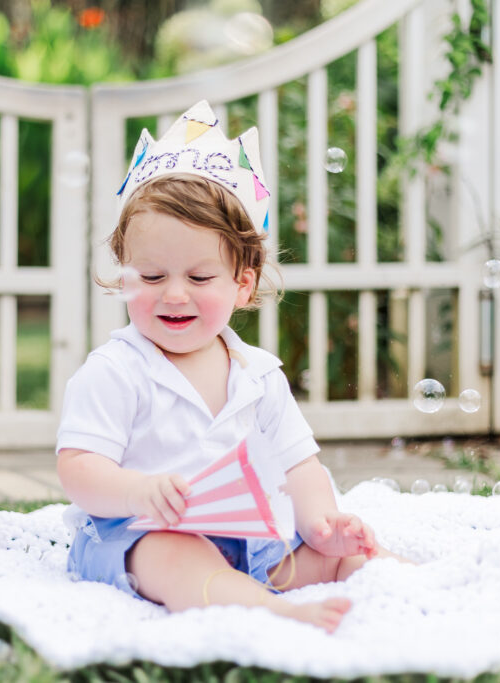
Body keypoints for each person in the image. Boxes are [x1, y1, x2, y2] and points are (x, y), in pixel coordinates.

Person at [56, 101, 401, 633]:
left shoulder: (258, 374)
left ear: (242, 283)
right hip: (136, 532)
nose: (174, 294)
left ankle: (426, 581)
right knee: (176, 558)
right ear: (125, 275)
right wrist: (135, 491)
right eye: (151, 277)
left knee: (343, 553)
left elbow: (299, 465)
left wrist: (319, 525)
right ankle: (278, 614)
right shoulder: (115, 371)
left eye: (199, 278)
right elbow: (78, 468)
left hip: (246, 540)